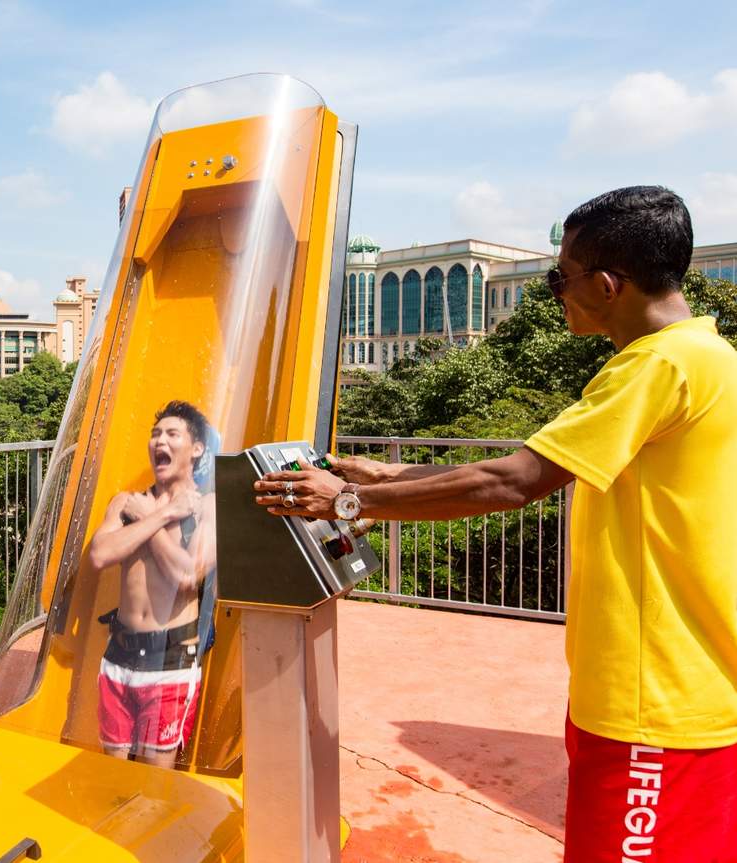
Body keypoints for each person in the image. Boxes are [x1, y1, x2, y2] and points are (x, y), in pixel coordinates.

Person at [253, 186, 737, 861]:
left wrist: (346, 503)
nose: (553, 293)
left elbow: (515, 481)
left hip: (654, 702)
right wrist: (381, 475)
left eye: (557, 277)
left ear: (605, 284)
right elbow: (535, 464)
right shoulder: (707, 357)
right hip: (674, 689)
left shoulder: (653, 366)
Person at [87, 400, 216, 768]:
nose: (160, 440)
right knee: (113, 774)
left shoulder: (206, 507)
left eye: (172, 434)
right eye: (155, 434)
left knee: (154, 785)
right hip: (119, 658)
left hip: (171, 660)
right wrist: (162, 515)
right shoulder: (127, 503)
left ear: (196, 449)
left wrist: (155, 520)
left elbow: (188, 577)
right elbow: (100, 555)